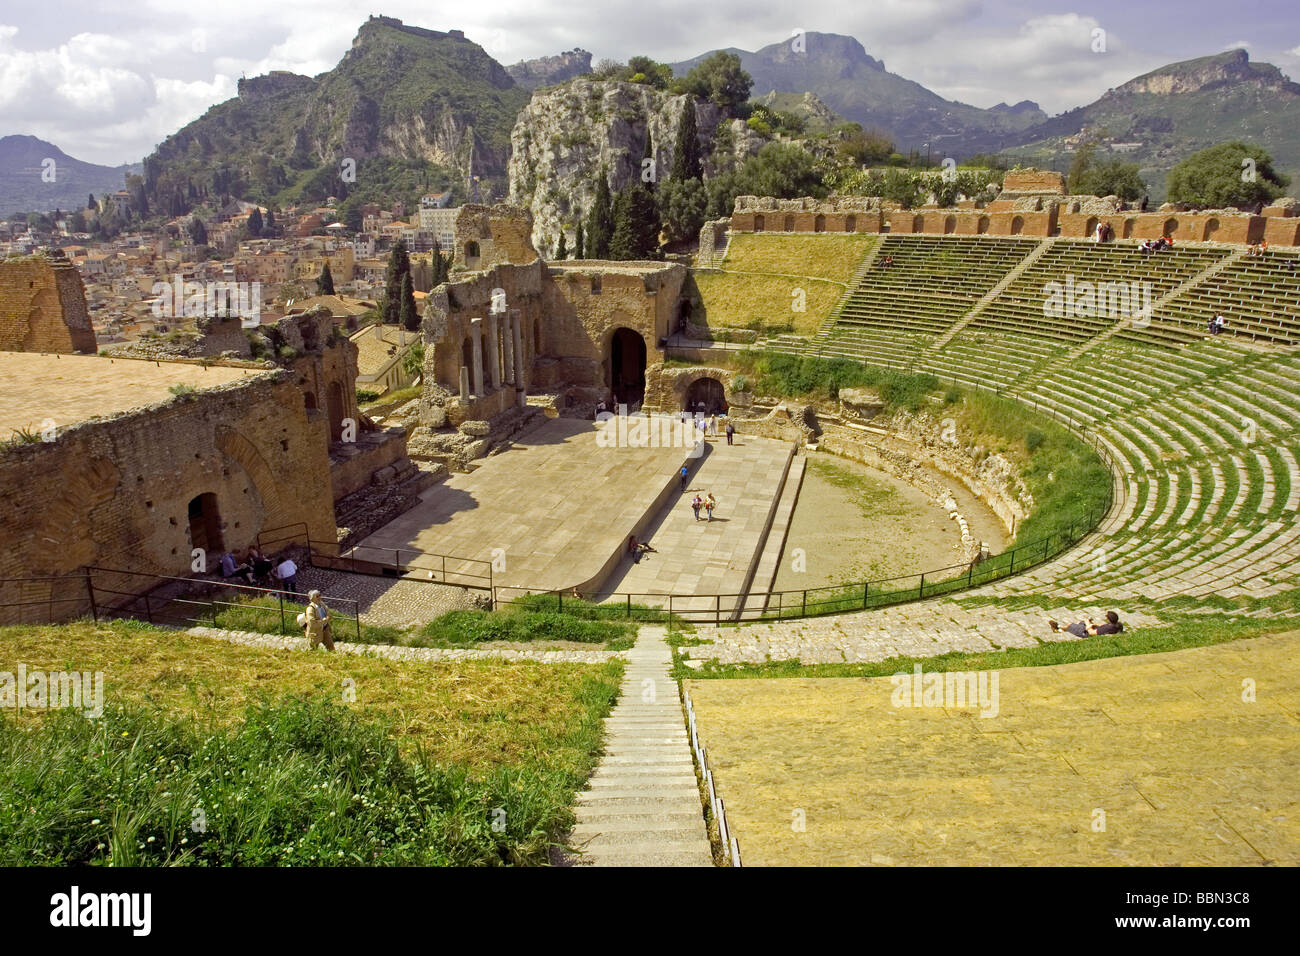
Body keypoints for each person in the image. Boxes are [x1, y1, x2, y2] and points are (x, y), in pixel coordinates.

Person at [1049, 610, 1123, 638]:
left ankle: (1058, 628)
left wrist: (1088, 624)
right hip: (1093, 629)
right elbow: (1101, 626)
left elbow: (1091, 633)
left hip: (1086, 633)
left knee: (1070, 625)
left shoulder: (1106, 628)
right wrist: (1092, 624)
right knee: (1081, 623)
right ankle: (1059, 629)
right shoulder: (1118, 625)